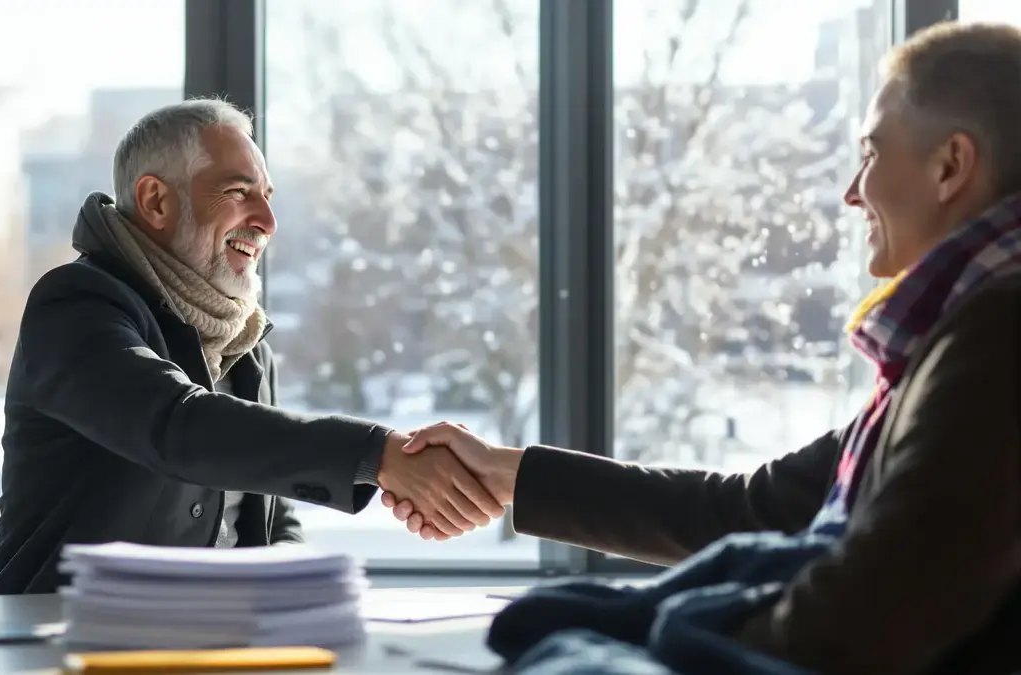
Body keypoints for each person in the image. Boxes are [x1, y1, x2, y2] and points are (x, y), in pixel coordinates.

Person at [387, 21, 1021, 674]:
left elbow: (873, 611)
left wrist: (677, 637)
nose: (853, 190)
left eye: (871, 151)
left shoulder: (997, 337)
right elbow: (757, 508)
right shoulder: (958, 336)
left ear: (950, 165)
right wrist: (509, 472)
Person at [0, 99, 503, 595]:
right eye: (239, 192)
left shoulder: (247, 346)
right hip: (60, 645)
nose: (267, 222)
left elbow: (274, 519)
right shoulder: (75, 306)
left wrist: (299, 589)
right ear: (156, 201)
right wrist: (381, 455)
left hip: (218, 648)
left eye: (268, 197)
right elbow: (178, 425)